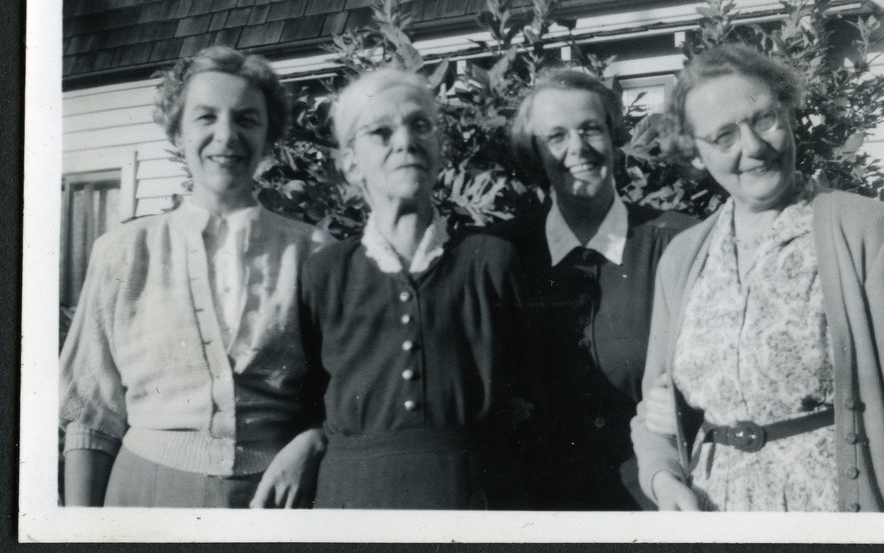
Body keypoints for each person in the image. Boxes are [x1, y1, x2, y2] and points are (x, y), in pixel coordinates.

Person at [631, 43, 884, 512]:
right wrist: (662, 479)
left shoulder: (864, 229)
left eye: (764, 119)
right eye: (724, 137)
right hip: (715, 514)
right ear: (696, 156)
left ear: (789, 114)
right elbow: (654, 411)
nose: (754, 147)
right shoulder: (683, 256)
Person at [59, 45, 330, 508]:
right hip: (145, 498)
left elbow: (345, 395)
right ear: (178, 131)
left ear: (268, 135)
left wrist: (315, 441)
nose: (227, 136)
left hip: (276, 501)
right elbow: (92, 416)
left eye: (247, 119)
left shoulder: (314, 253)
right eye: (206, 117)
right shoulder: (124, 252)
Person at [301, 66, 531, 509]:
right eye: (381, 132)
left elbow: (529, 387)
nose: (404, 141)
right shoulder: (325, 273)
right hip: (354, 506)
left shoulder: (490, 260)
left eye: (419, 125)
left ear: (439, 147)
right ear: (350, 164)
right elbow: (305, 398)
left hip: (474, 500)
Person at [493, 65, 694, 510]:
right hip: (535, 510)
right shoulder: (501, 255)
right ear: (533, 152)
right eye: (556, 136)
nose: (578, 148)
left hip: (657, 501)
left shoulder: (678, 243)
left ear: (615, 135)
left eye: (590, 129)